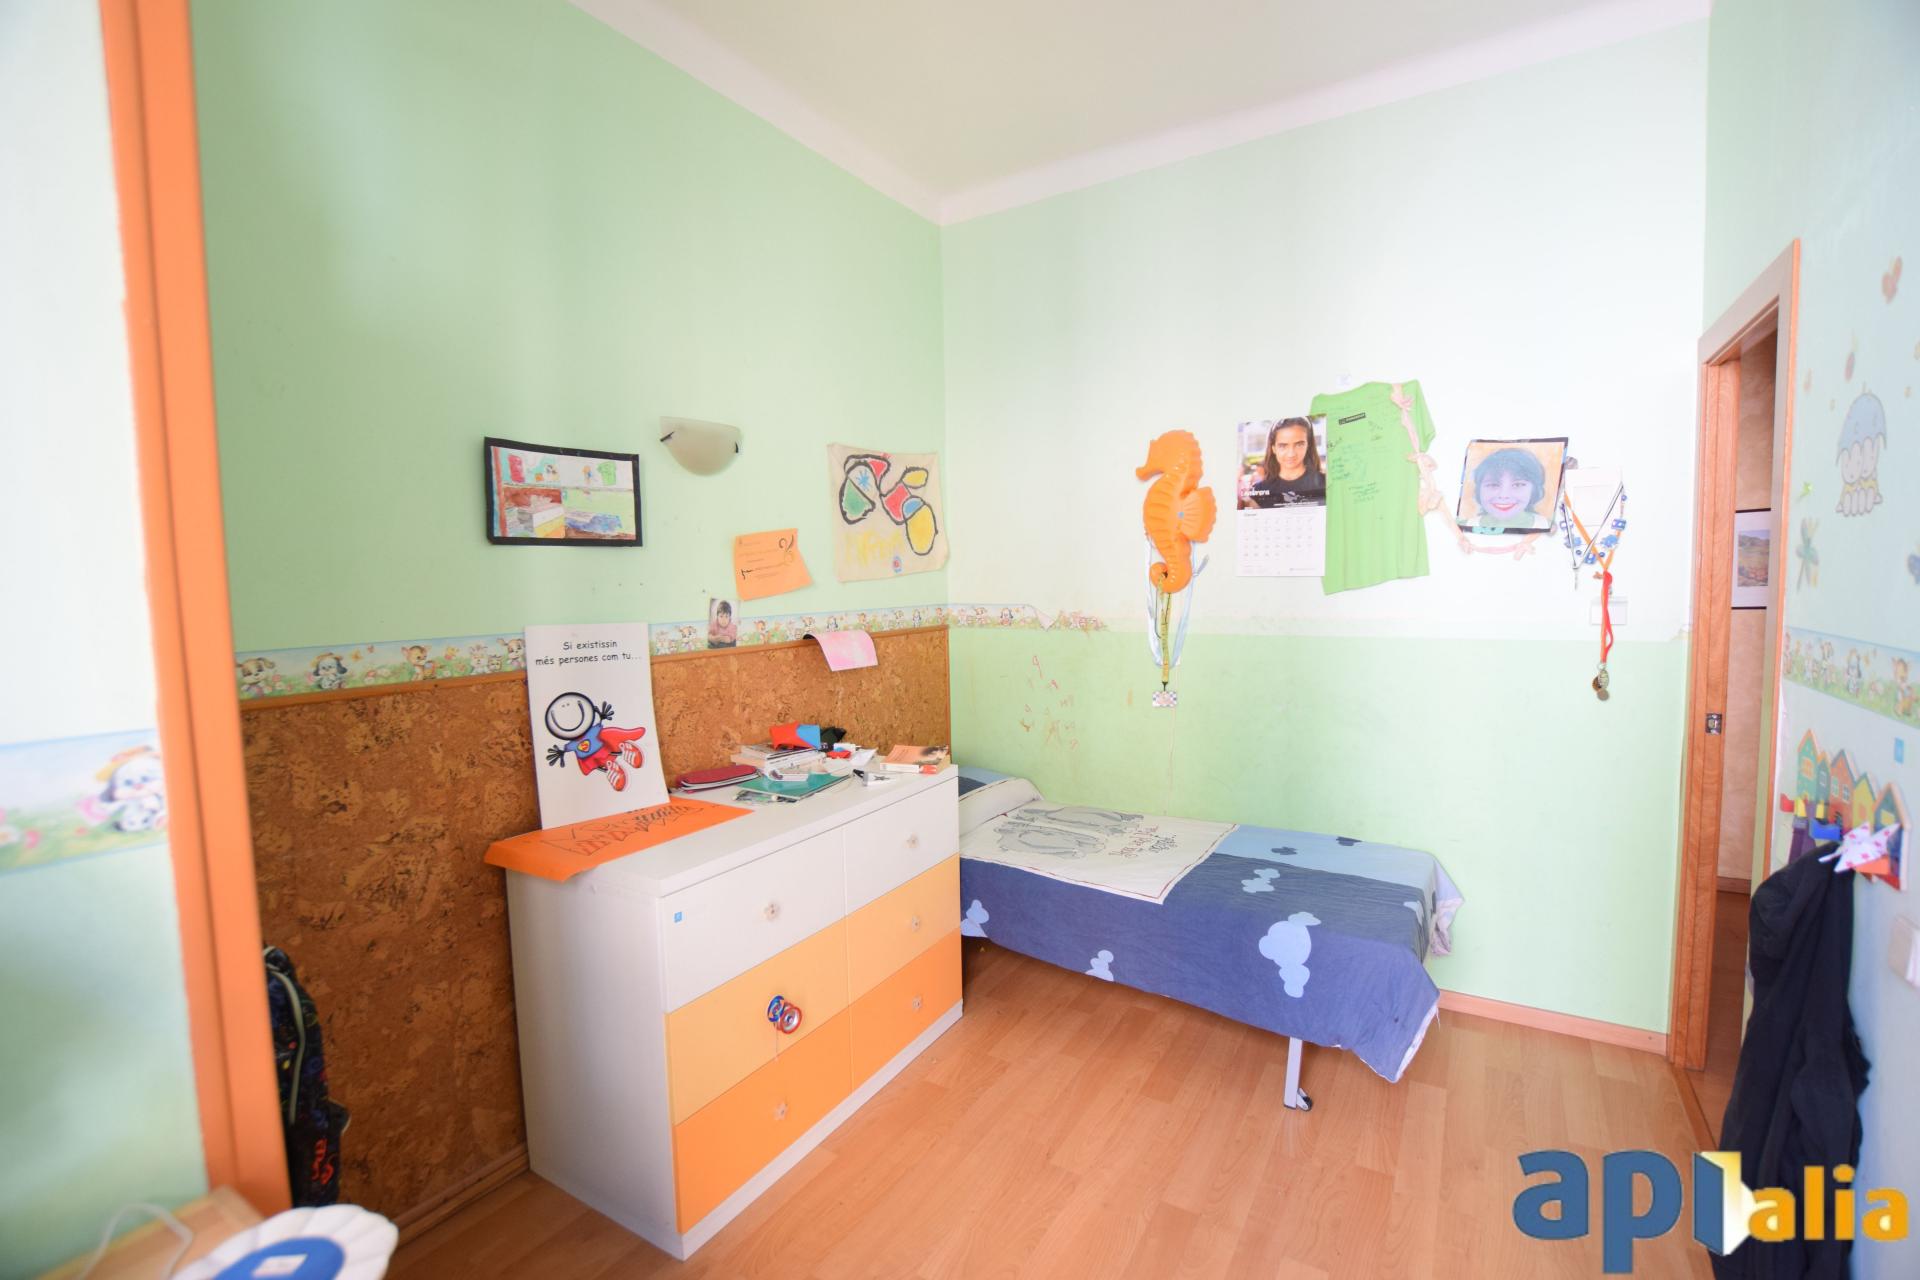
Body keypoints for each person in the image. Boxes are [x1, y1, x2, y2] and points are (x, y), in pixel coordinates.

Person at [1245, 418, 1325, 508]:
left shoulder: (1326, 484)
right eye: (1283, 446)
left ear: (1308, 445)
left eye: (1299, 444)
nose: (1291, 454)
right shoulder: (1259, 492)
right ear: (1274, 448)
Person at [1468, 447, 1550, 529]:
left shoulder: (1549, 526)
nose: (1504, 495)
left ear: (1534, 490)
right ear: (1479, 490)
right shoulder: (1464, 527)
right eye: (1493, 485)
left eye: (1517, 485)